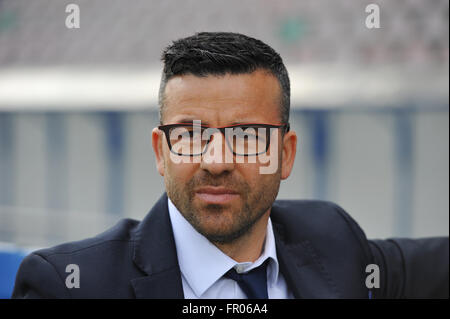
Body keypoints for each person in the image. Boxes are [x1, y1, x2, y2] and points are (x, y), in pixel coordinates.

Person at [12, 32, 448, 299]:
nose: (216, 161)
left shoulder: (332, 239)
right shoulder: (70, 286)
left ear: (286, 154)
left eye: (247, 137)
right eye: (189, 134)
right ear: (160, 153)